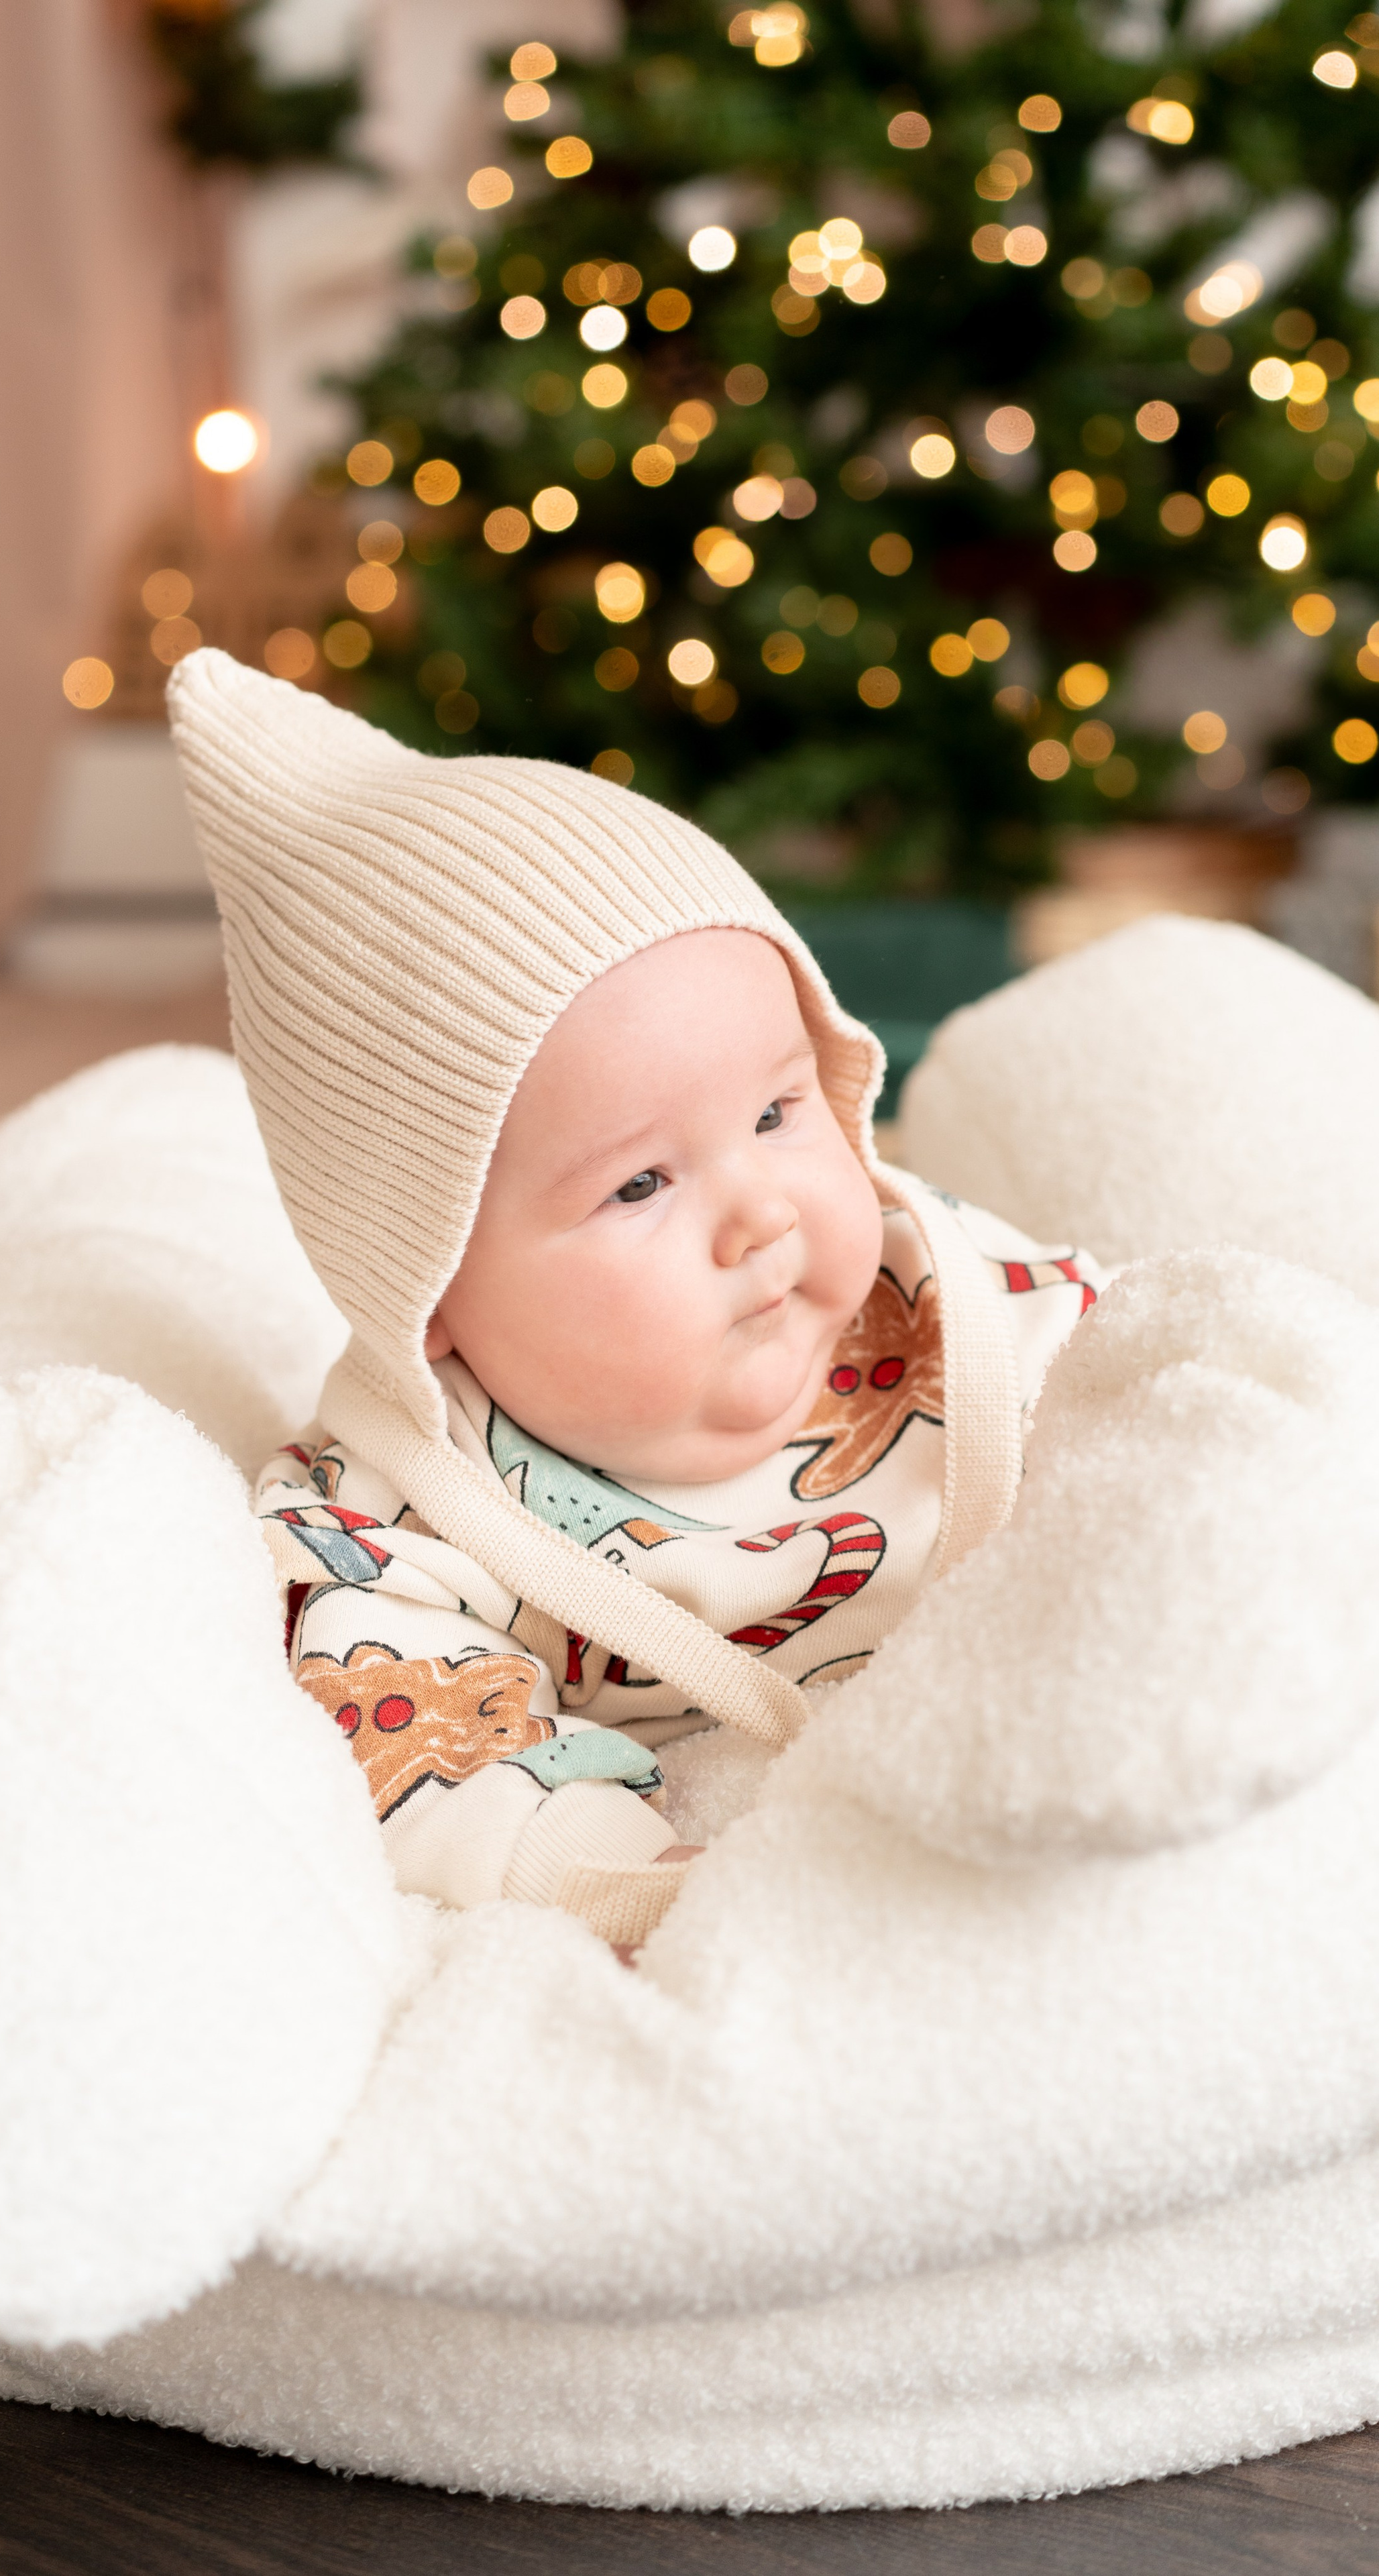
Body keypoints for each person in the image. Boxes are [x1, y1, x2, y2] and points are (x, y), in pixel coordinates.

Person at [170, 649, 1103, 1946]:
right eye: (642, 1184)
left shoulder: (946, 1301)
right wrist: (654, 1888)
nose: (763, 1212)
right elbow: (426, 1760)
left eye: (780, 1113)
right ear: (429, 1285)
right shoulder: (400, 1519)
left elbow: (1155, 1389)